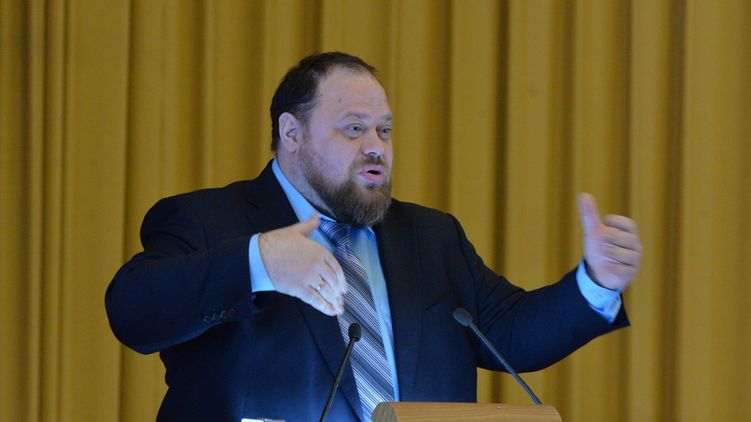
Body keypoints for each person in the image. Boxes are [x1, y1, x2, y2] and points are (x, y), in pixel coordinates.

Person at [105, 52, 642, 421]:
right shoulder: (207, 220)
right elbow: (133, 312)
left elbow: (511, 333)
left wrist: (595, 282)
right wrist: (256, 262)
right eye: (354, 128)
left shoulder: (431, 236)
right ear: (291, 134)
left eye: (384, 130)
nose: (376, 147)